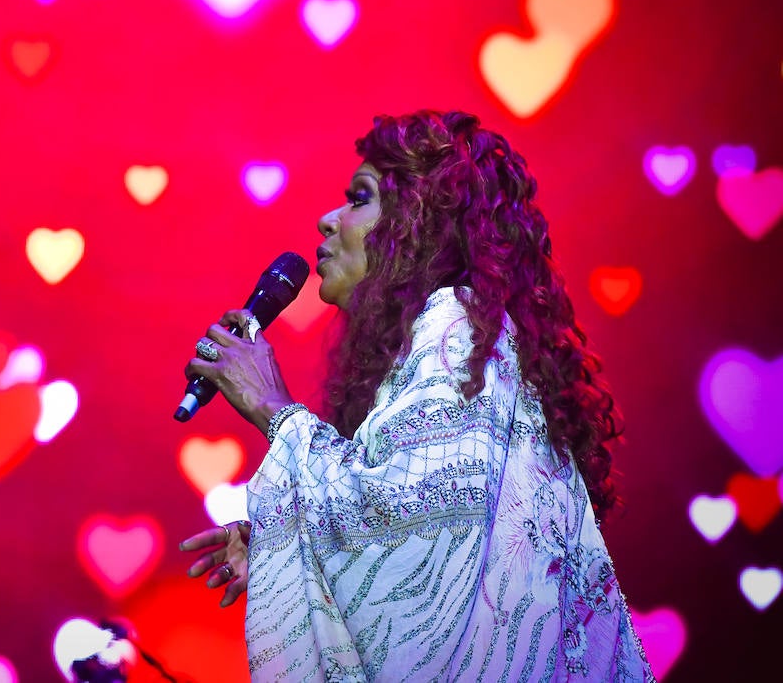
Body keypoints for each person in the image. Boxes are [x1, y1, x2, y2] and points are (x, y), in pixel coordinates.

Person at [178, 110, 654, 681]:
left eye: (360, 198)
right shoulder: (454, 347)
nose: (328, 221)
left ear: (422, 225)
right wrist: (292, 547)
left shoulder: (458, 333)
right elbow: (420, 546)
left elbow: (410, 531)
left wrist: (273, 408)